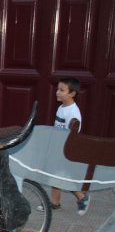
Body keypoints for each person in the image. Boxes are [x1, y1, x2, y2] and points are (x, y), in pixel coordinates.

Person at [40, 77, 90, 215]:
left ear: (72, 94)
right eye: (58, 89)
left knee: (60, 177)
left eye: (62, 90)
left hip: (66, 149)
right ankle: (56, 203)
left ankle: (82, 197)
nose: (57, 92)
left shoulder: (73, 112)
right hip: (58, 147)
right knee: (57, 176)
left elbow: (73, 134)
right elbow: (58, 128)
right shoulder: (61, 108)